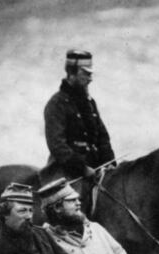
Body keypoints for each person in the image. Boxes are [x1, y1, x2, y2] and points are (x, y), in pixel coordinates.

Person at [42, 50, 116, 214]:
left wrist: (110, 162)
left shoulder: (90, 103)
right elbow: (58, 146)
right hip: (68, 171)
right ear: (71, 73)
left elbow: (103, 137)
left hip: (96, 169)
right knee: (71, 208)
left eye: (91, 74)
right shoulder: (56, 104)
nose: (90, 79)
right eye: (85, 74)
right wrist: (82, 169)